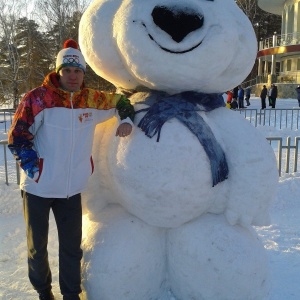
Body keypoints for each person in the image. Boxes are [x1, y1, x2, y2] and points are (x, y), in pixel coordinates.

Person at [7, 39, 135, 300]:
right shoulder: (38, 99)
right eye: (68, 70)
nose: (73, 76)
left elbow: (121, 102)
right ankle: (44, 292)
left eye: (78, 71)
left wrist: (127, 120)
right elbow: (18, 136)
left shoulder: (91, 99)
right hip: (38, 189)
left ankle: (70, 294)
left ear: (83, 74)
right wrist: (36, 170)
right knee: (37, 248)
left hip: (71, 189)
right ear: (58, 71)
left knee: (70, 248)